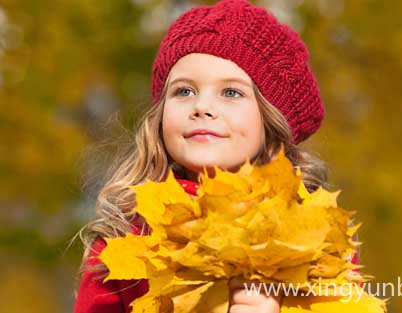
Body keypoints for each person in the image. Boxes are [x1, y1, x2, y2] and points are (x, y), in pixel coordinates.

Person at [72, 0, 359, 312]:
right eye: (184, 91)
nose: (201, 106)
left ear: (271, 122)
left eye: (231, 93)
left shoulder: (312, 237)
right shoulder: (127, 236)